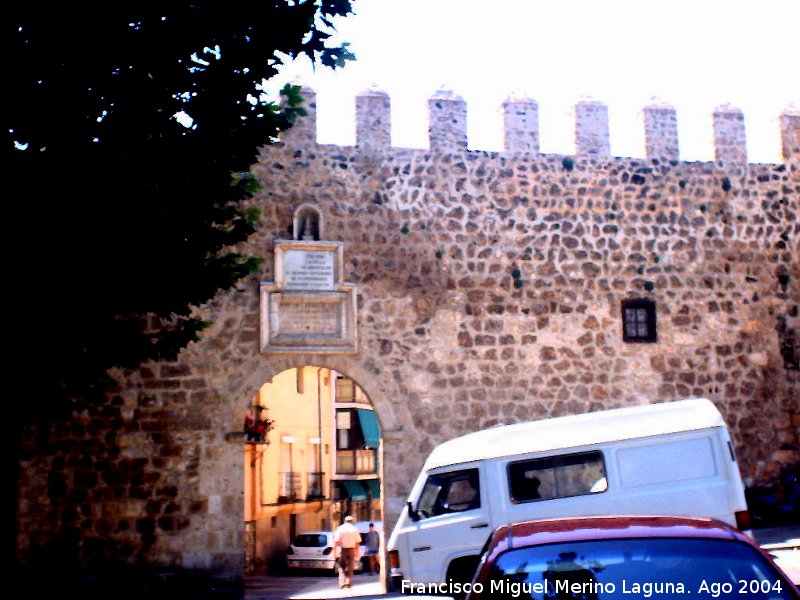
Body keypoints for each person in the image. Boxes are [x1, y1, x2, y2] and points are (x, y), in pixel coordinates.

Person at [334, 515, 361, 588]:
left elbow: (336, 541)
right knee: (350, 566)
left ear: (345, 521)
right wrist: (357, 552)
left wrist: (335, 552)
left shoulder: (340, 528)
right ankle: (349, 582)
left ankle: (342, 582)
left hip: (343, 549)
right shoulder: (354, 529)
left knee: (341, 566)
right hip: (351, 549)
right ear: (352, 521)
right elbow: (357, 542)